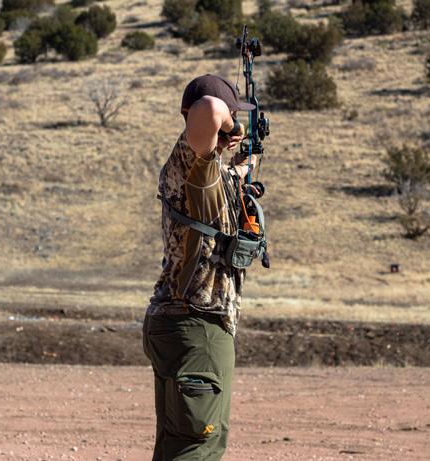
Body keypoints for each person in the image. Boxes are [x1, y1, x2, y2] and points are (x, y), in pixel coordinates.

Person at [142, 74, 258, 461]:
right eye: (230, 124)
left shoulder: (211, 173)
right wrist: (230, 123)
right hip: (196, 323)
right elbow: (209, 109)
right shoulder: (189, 161)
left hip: (193, 324)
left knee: (181, 443)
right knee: (198, 445)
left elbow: (224, 179)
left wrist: (243, 165)